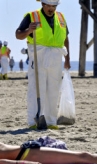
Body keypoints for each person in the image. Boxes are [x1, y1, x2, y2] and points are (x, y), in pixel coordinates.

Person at [15, 0, 71, 130]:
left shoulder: (61, 17)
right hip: (38, 56)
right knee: (36, 89)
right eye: (49, 6)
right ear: (43, 5)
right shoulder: (32, 16)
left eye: (54, 6)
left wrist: (67, 59)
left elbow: (65, 39)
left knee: (53, 90)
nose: (51, 9)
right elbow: (18, 35)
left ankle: (51, 121)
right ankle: (33, 121)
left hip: (56, 57)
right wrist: (29, 30)